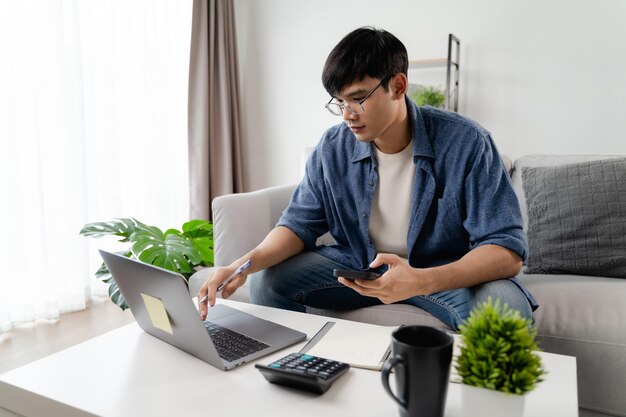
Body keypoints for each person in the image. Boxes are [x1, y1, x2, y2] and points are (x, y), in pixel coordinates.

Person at [198, 26, 537, 330]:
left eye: (358, 98)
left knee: (506, 312)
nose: (348, 115)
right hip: (359, 267)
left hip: (437, 272)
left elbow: (506, 250)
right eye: (340, 102)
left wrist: (419, 281)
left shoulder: (467, 142)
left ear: (398, 86)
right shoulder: (333, 148)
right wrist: (239, 265)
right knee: (267, 281)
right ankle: (300, 368)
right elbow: (297, 225)